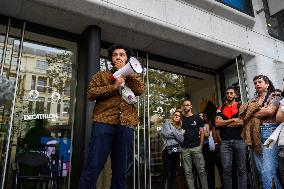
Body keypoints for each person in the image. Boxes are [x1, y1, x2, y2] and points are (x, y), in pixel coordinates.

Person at [78, 44, 144, 189]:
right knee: (94, 165)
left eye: (122, 54)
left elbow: (140, 90)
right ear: (111, 59)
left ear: (127, 58)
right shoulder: (101, 75)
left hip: (125, 124)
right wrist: (113, 87)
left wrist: (128, 73)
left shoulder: (133, 77)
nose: (118, 57)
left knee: (121, 170)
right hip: (103, 122)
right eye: (115, 55)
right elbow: (91, 93)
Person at [250, 75, 282, 189]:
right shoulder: (253, 99)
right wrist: (257, 111)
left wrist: (251, 112)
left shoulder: (276, 94)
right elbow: (244, 115)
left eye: (260, 82)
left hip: (270, 134)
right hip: (255, 136)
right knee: (262, 171)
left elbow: (270, 111)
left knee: (267, 170)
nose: (257, 84)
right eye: (255, 83)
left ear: (267, 84)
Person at [215, 86, 247, 189]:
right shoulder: (221, 108)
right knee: (226, 170)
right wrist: (232, 120)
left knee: (242, 169)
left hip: (239, 140)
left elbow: (242, 122)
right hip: (225, 142)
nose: (229, 95)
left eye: (231, 93)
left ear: (235, 94)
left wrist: (224, 123)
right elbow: (217, 123)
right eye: (227, 93)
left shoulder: (240, 106)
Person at [181, 100, 208, 189]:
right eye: (184, 105)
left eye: (187, 105)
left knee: (202, 172)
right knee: (188, 173)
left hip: (196, 148)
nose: (186, 107)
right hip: (185, 149)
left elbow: (202, 133)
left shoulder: (197, 118)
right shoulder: (181, 119)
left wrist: (200, 146)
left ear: (191, 106)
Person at [160, 110, 185, 189]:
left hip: (176, 151)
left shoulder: (180, 127)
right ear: (173, 116)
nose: (177, 116)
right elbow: (167, 134)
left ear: (180, 118)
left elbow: (182, 140)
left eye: (179, 116)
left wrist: (173, 132)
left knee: (174, 173)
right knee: (166, 172)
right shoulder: (167, 124)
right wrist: (178, 133)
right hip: (167, 151)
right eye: (175, 115)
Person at [199, 112, 218, 189]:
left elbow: (206, 134)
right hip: (200, 149)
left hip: (208, 149)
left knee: (210, 170)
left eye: (202, 116)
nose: (201, 117)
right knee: (202, 170)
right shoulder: (195, 126)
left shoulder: (208, 125)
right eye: (199, 116)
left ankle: (211, 186)